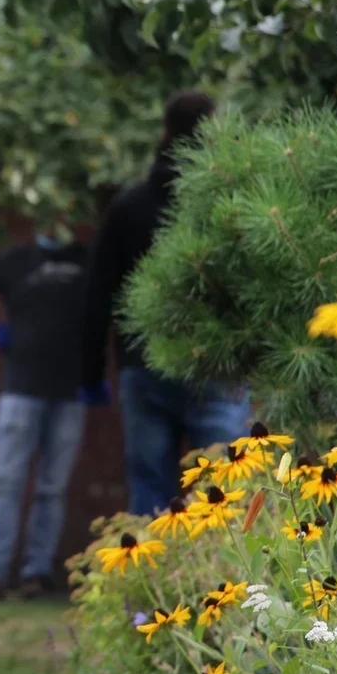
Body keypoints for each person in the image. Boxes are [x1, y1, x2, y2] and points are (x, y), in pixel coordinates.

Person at [79, 91, 251, 516]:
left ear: (165, 133)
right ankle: (227, 579)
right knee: (224, 486)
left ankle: (149, 580)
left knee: (151, 488)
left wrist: (90, 372)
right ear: (213, 133)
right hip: (218, 365)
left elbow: (99, 295)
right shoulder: (230, 205)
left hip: (145, 365)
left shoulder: (127, 208)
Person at [0, 227, 88, 598]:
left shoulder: (86, 260)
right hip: (20, 387)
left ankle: (36, 574)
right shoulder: (18, 259)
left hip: (71, 389)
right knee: (6, 484)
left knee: (52, 488)